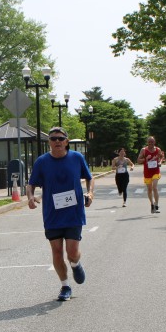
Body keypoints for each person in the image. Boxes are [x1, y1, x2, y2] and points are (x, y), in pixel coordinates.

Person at [27, 126, 94, 301]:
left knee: (72, 252)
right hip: (52, 214)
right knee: (57, 252)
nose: (57, 141)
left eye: (60, 138)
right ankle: (65, 286)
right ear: (49, 142)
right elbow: (31, 183)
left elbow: (89, 177)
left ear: (66, 141)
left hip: (73, 212)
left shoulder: (76, 158)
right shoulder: (42, 162)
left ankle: (75, 263)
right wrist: (30, 197)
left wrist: (90, 193)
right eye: (53, 139)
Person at [137, 136, 166, 214]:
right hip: (147, 172)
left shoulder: (158, 149)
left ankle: (156, 205)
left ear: (154, 142)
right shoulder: (143, 150)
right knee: (149, 189)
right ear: (147, 142)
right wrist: (146, 159)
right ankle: (152, 204)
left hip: (156, 171)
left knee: (155, 187)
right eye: (149, 142)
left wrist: (160, 162)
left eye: (152, 142)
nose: (150, 143)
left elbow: (162, 157)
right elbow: (138, 161)